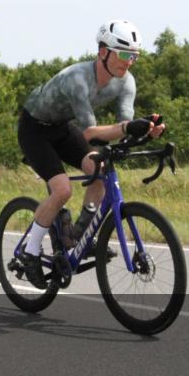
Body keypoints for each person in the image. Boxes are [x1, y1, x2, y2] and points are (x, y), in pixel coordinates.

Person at [16, 20, 166, 288]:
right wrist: (127, 126)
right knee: (62, 190)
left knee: (100, 173)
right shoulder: (78, 79)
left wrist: (146, 131)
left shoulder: (126, 82)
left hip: (62, 128)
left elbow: (124, 128)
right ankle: (30, 250)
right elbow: (90, 134)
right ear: (103, 52)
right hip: (34, 128)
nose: (129, 62)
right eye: (123, 54)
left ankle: (78, 235)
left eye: (134, 55)